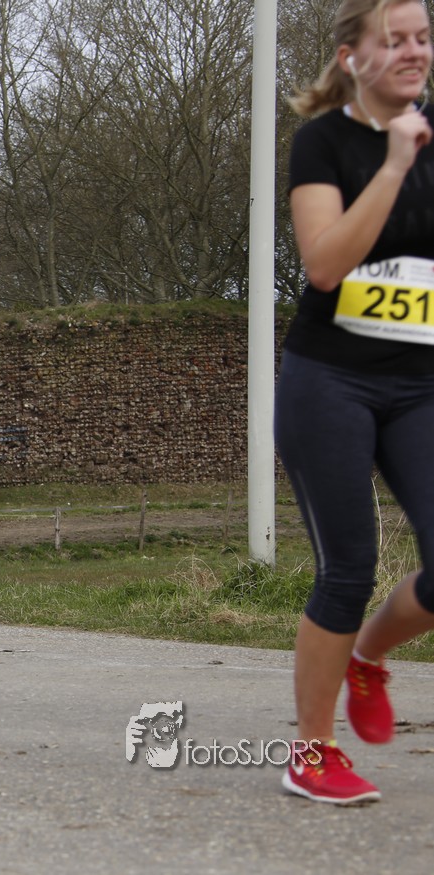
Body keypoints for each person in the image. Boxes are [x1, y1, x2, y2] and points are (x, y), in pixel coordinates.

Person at [278, 0, 434, 805]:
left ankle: (368, 658)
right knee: (347, 567)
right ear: (351, 57)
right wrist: (394, 164)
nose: (413, 51)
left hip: (419, 384)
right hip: (328, 380)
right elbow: (325, 265)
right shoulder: (322, 143)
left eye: (422, 37)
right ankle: (311, 751)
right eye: (393, 40)